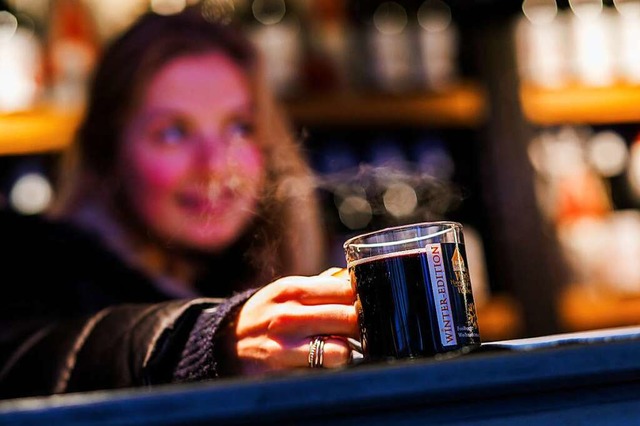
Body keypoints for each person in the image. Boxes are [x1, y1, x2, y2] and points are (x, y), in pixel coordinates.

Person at [0, 5, 357, 400]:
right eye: (172, 132)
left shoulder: (295, 262)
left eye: (239, 128)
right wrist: (219, 339)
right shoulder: (41, 269)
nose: (215, 167)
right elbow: (46, 358)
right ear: (109, 153)